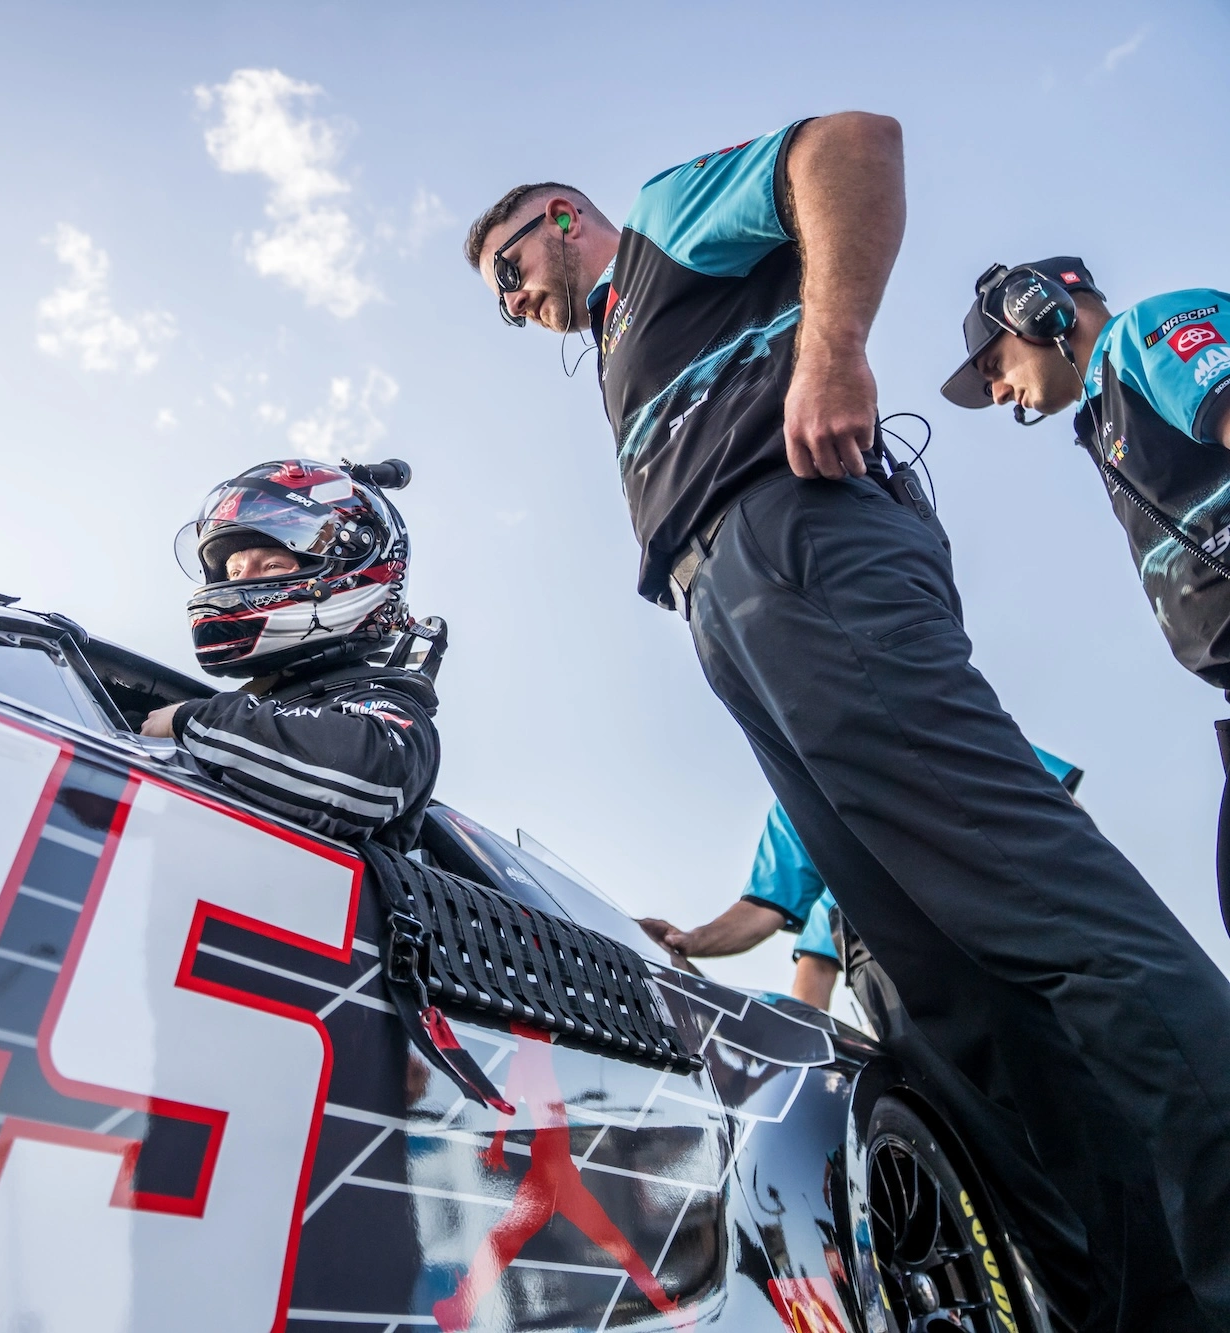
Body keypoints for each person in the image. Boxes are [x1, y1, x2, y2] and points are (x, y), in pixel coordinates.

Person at [465, 114, 1230, 1330]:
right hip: (730, 605)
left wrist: (830, 353)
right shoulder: (622, 337)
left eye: (508, 266)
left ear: (559, 218)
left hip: (799, 541)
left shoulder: (661, 223)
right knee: (956, 1007)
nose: (512, 303)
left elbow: (845, 144)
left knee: (1039, 904)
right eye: (498, 301)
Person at [940, 258, 1230, 930]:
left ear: (1036, 309)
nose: (998, 394)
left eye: (994, 366)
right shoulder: (1106, 416)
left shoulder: (1144, 335)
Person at [641, 746, 1085, 1012]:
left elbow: (1063, 817)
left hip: (1026, 935)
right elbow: (768, 917)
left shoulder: (941, 718)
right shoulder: (805, 809)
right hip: (917, 993)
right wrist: (689, 941)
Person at [140, 459, 441, 849]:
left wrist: (191, 721)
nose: (243, 581)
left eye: (271, 565)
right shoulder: (257, 705)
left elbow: (364, 777)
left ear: (340, 572)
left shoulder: (386, 702)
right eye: (234, 571)